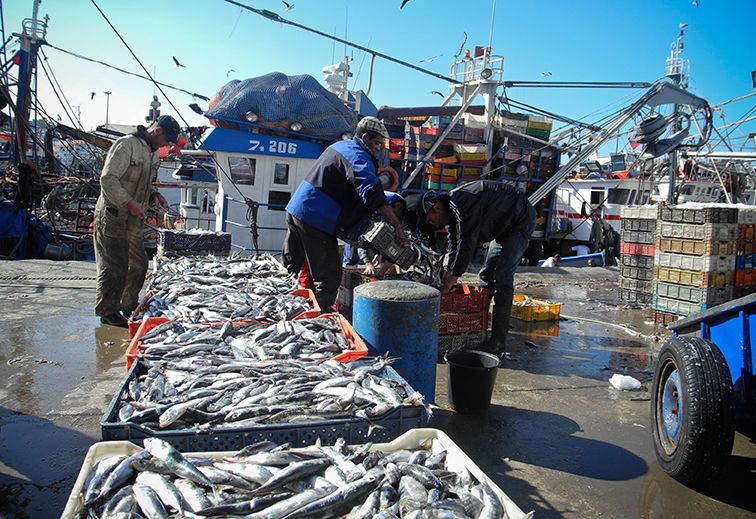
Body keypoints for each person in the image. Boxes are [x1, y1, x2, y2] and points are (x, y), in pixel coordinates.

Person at [283, 116, 407, 310]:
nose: (379, 149)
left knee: (290, 266)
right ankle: (318, 320)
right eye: (377, 143)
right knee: (329, 276)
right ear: (365, 138)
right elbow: (372, 194)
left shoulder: (341, 146)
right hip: (316, 217)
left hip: (297, 210)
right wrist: (398, 226)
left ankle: (280, 306)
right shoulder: (358, 155)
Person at [420, 180, 537, 354]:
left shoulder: (461, 203)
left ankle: (498, 342)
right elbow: (455, 243)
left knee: (502, 279)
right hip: (502, 228)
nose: (433, 224)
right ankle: (478, 327)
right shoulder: (453, 211)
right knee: (485, 275)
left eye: (430, 219)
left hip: (519, 223)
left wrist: (449, 282)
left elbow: (467, 242)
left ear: (436, 208)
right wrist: (446, 273)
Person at [93, 115, 178, 327]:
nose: (166, 145)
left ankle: (127, 304)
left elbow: (146, 183)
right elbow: (108, 179)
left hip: (133, 219)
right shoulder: (126, 145)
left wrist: (154, 196)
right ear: (158, 132)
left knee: (139, 263)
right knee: (114, 265)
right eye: (167, 141)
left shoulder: (153, 154)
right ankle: (108, 311)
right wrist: (130, 203)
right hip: (112, 214)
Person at [343, 191, 406, 276]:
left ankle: (381, 270)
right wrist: (368, 262)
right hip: (354, 215)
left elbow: (395, 246)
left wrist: (379, 255)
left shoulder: (400, 214)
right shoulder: (373, 207)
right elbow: (361, 238)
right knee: (353, 243)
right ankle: (349, 269)